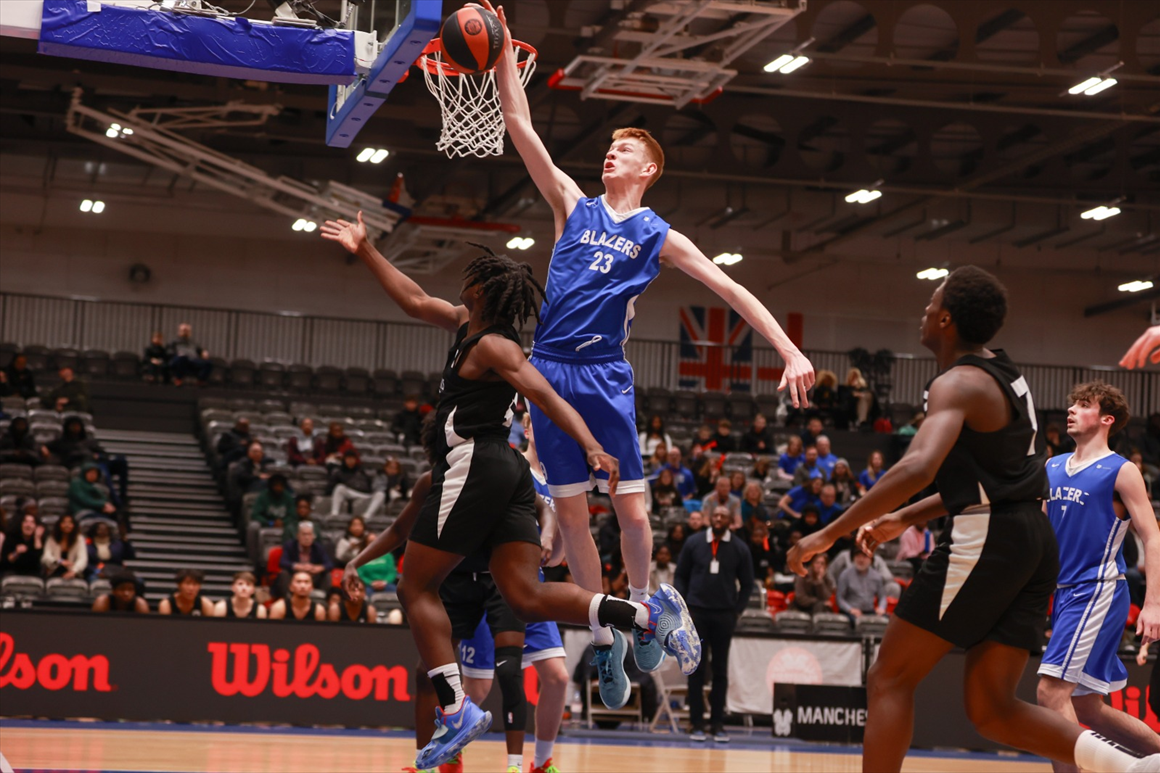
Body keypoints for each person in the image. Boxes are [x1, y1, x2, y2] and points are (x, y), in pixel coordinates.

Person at [487, 0, 809, 683]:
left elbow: (731, 289)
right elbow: (519, 124)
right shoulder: (571, 204)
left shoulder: (658, 234)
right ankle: (614, 632)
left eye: (625, 149)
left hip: (602, 373)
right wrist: (502, 54)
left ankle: (649, 604)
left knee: (630, 509)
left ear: (648, 170)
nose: (612, 151)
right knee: (571, 517)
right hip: (547, 371)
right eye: (611, 145)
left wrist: (788, 348)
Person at [321, 216, 701, 769]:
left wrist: (591, 445)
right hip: (507, 477)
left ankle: (455, 710)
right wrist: (366, 249)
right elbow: (411, 298)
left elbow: (544, 395)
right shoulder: (463, 325)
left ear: (482, 292)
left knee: (415, 586)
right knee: (524, 594)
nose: (462, 281)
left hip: (475, 460)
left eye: (472, 276)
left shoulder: (496, 345)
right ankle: (645, 616)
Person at [788, 265, 1160, 773]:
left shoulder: (958, 382)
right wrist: (904, 517)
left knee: (889, 678)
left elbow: (919, 465)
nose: (923, 311)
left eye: (930, 303)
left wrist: (829, 532)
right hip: (1032, 543)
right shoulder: (1005, 374)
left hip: (991, 539)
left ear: (946, 320)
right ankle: (1134, 767)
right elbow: (995, 478)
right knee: (993, 710)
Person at [1036, 382, 1160, 770]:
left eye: (1083, 404)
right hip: (1065, 593)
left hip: (1098, 588)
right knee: (1086, 705)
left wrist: (1153, 604)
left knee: (1050, 692)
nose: (1071, 409)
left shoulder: (1121, 470)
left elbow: (1153, 536)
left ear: (1107, 419)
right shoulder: (1052, 466)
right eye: (1072, 403)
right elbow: (1040, 537)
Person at [675, 504, 755, 743]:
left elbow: (748, 583)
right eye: (716, 515)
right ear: (710, 519)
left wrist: (737, 611)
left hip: (724, 616)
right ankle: (696, 723)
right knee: (696, 669)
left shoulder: (740, 548)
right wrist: (683, 606)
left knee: (720, 671)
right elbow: (681, 574)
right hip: (696, 614)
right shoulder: (694, 542)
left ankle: (717, 724)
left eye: (724, 516)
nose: (718, 519)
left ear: (731, 521)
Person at [46, 416, 129, 506]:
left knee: (121, 460)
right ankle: (116, 501)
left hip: (98, 461)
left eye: (77, 425)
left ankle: (123, 495)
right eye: (73, 425)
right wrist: (44, 449)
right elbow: (46, 446)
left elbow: (104, 454)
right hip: (84, 465)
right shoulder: (62, 442)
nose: (75, 428)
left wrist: (98, 456)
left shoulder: (89, 441)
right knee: (102, 470)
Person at [277, 520, 332, 595]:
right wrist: (299, 566)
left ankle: (322, 597)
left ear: (313, 536)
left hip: (312, 576)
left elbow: (329, 564)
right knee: (284, 573)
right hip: (295, 576)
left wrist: (318, 568)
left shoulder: (318, 547)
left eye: (309, 534)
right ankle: (287, 597)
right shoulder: (290, 545)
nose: (306, 538)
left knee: (326, 575)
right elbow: (283, 562)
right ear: (297, 536)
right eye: (304, 534)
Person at [328, 449, 383, 518]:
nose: (350, 461)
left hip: (365, 494)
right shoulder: (339, 472)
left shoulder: (362, 471)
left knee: (380, 494)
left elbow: (370, 486)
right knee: (339, 487)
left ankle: (367, 515)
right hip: (350, 493)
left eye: (352, 459)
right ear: (344, 459)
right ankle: (334, 513)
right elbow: (329, 489)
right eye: (348, 458)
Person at [836, 548, 887, 622]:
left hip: (869, 611)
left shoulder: (877, 576)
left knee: (886, 620)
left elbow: (882, 597)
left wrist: (881, 608)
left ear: (871, 559)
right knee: (853, 621)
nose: (861, 560)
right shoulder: (845, 575)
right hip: (851, 611)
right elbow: (839, 598)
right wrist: (850, 609)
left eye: (864, 557)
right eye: (858, 556)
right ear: (853, 558)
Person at [250, 473, 298, 541]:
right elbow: (255, 514)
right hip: (266, 523)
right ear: (271, 486)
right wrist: (270, 523)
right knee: (253, 526)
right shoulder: (263, 496)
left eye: (280, 486)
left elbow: (293, 515)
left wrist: (283, 522)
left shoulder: (288, 497)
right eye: (276, 485)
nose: (278, 488)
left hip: (284, 525)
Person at [41, 513, 86, 580]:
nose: (67, 525)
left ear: (74, 525)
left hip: (74, 572)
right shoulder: (52, 538)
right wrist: (60, 561)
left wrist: (74, 571)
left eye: (70, 523)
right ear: (59, 524)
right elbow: (46, 556)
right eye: (64, 522)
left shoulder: (79, 539)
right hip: (53, 571)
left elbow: (83, 559)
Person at [0, 508, 44, 576]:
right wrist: (16, 553)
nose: (28, 525)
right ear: (21, 524)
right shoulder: (11, 537)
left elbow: (38, 560)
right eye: (25, 521)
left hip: (33, 574)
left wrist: (37, 538)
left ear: (36, 526)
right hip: (12, 572)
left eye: (32, 522)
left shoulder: (39, 539)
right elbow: (4, 562)